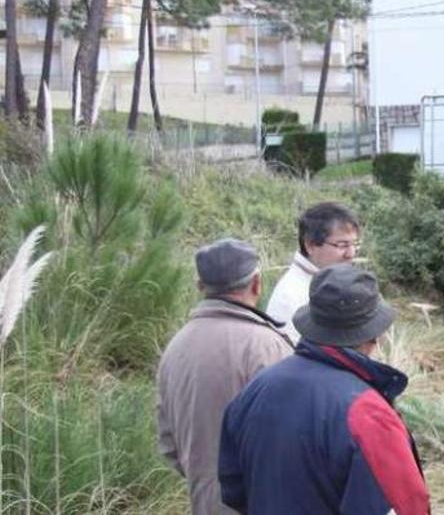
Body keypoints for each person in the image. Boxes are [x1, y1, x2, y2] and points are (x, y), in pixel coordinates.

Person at [219, 264, 430, 515]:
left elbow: (233, 489)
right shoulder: (368, 415)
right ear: (374, 336)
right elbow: (404, 506)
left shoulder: (255, 390)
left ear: (313, 323)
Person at [156, 239, 293, 515]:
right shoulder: (267, 345)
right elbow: (292, 442)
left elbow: (169, 443)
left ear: (200, 287)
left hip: (205, 503)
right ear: (256, 283)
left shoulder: (175, 347)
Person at [266, 201, 361, 344]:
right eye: (342, 245)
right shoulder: (290, 297)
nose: (351, 254)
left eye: (355, 244)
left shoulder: (328, 281)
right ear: (310, 245)